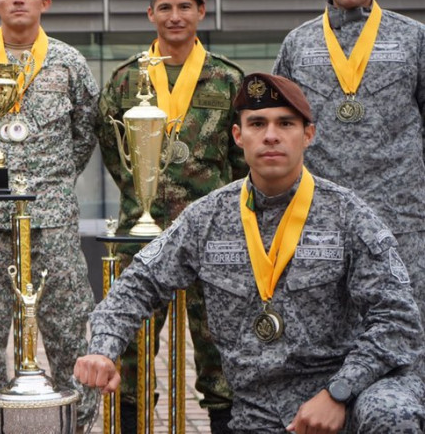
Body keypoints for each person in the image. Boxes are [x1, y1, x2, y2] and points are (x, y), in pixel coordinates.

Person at [75, 72, 425, 433]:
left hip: (345, 403)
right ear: (238, 136)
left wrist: (339, 392)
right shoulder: (208, 217)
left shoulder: (348, 215)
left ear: (308, 135)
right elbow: (139, 282)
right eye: (257, 123)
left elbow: (398, 321)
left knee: (392, 413)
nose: (271, 135)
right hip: (258, 411)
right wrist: (103, 347)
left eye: (285, 123)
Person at [0, 0, 99, 430]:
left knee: (67, 325)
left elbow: (85, 133)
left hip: (52, 217)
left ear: (44, 3)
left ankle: (74, 423)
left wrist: (51, 181)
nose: (17, 0)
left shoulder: (69, 62)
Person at [98, 0, 245, 433]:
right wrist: (142, 196)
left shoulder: (228, 79)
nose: (175, 15)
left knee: (219, 346)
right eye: (165, 7)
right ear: (150, 14)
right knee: (133, 347)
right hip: (144, 236)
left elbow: (242, 158)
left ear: (201, 12)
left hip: (214, 236)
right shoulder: (126, 80)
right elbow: (112, 147)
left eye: (184, 6)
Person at [272, 0, 425, 332]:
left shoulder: (413, 39)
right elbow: (278, 128)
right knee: (324, 322)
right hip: (320, 215)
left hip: (400, 216)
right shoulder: (298, 44)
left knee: (405, 323)